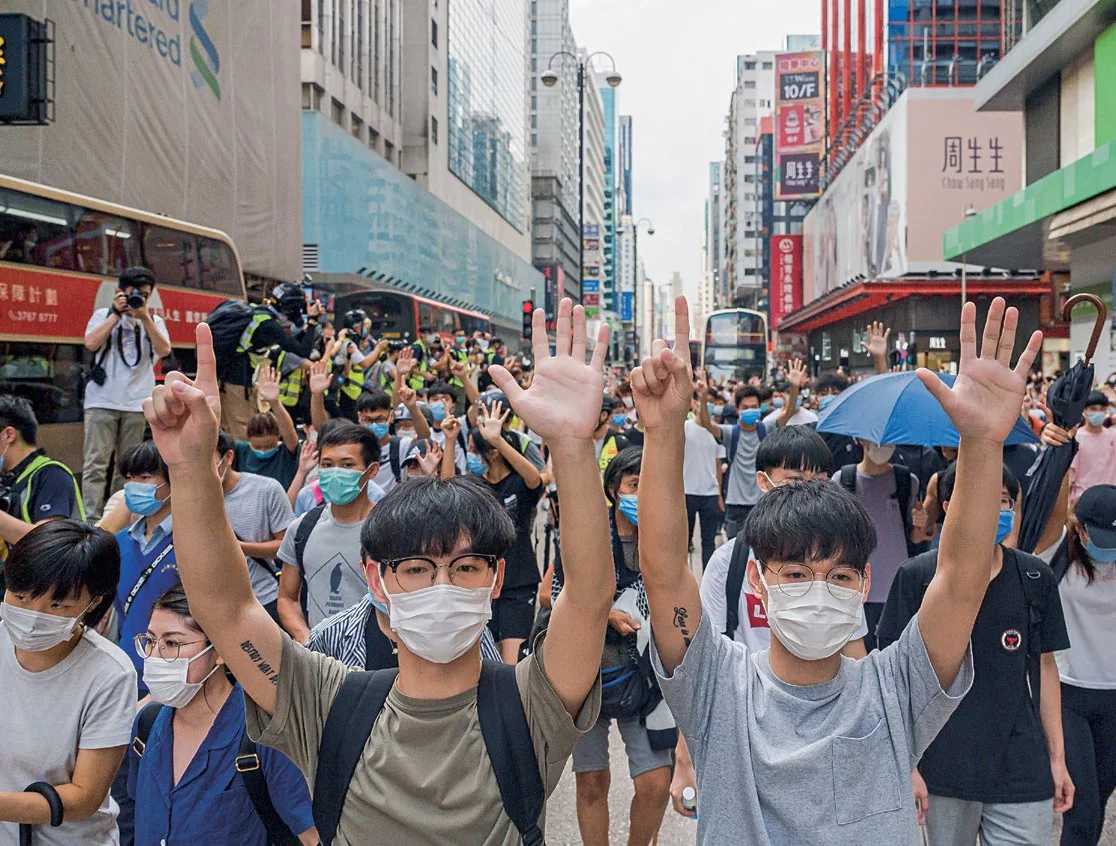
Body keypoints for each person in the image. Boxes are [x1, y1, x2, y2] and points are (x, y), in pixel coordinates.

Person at [140, 298, 613, 843]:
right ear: (377, 580)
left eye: (464, 567)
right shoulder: (326, 705)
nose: (442, 586)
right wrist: (191, 466)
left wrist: (574, 448)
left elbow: (588, 597)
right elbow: (225, 609)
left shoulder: (533, 706)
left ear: (496, 580)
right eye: (416, 568)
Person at [631, 295, 1041, 843]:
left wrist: (982, 443)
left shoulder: (896, 690)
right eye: (796, 575)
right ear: (758, 580)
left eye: (839, 576)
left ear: (865, 584)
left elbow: (962, 579)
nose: (818, 590)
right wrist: (663, 433)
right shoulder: (718, 686)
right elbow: (662, 569)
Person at [878, 462, 1073, 846]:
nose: (994, 510)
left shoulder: (1034, 578)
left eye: (1003, 501)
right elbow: (890, 677)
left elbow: (1046, 670)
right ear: (950, 505)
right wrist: (907, 764)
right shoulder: (918, 577)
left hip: (1020, 766)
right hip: (942, 767)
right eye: (981, 498)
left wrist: (1057, 758)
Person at [127, 584, 318, 845]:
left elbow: (310, 836)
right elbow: (133, 810)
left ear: (219, 650)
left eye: (172, 643)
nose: (155, 657)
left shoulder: (262, 734)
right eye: (149, 641)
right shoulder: (147, 725)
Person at [563, 446, 675, 846]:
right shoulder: (585, 536)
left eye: (650, 484)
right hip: (589, 678)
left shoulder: (666, 540)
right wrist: (603, 614)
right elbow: (559, 599)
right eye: (633, 484)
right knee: (591, 780)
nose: (641, 493)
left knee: (656, 785)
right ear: (613, 490)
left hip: (648, 683)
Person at [0, 521, 135, 846]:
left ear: (94, 603)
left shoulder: (109, 675)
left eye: (58, 605)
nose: (33, 614)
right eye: (20, 596)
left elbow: (84, 797)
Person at [1051, 484, 1116, 846]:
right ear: (1080, 528)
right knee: (1082, 806)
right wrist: (1062, 451)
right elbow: (1049, 507)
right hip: (1070, 691)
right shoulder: (1059, 553)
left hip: (1114, 697)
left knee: (1101, 800)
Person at [276, 421, 378, 643]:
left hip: (377, 664)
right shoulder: (302, 528)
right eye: (327, 464)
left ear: (372, 471)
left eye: (347, 465)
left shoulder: (390, 529)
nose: (335, 473)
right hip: (320, 663)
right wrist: (308, 639)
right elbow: (287, 598)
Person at [82, 267, 171, 520]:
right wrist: (115, 315)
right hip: (102, 400)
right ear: (121, 291)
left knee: (129, 467)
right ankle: (90, 519)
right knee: (95, 464)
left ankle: (117, 517)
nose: (139, 299)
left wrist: (144, 318)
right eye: (135, 294)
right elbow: (90, 343)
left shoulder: (154, 322)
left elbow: (164, 350)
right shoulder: (102, 315)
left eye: (145, 295)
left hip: (136, 403)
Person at [834, 437, 928, 649]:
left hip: (897, 587)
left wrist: (920, 524)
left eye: (890, 440)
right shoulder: (843, 480)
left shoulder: (906, 481)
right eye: (877, 441)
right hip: (856, 585)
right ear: (861, 441)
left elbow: (915, 538)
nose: (884, 446)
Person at [469, 401, 544, 662]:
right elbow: (448, 490)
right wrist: (449, 439)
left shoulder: (519, 483)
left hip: (518, 580)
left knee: (512, 661)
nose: (470, 457)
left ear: (491, 453)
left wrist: (498, 441)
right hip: (480, 583)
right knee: (486, 657)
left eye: (473, 450)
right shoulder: (475, 486)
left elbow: (535, 478)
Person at [210, 282, 321, 439]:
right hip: (238, 381)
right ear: (291, 307)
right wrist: (312, 322)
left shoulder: (259, 314)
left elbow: (290, 343)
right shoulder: (268, 325)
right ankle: (242, 463)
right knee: (243, 427)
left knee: (227, 427)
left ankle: (228, 462)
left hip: (226, 377)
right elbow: (303, 350)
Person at [113, 441, 178, 685]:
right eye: (129, 478)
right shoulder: (120, 542)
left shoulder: (192, 542)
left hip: (173, 673)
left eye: (145, 477)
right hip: (127, 669)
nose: (132, 486)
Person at [216, 431, 294, 621]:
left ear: (228, 457)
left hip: (262, 600)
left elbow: (287, 546)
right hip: (214, 607)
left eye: (206, 460)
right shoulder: (189, 499)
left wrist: (239, 548)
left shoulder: (266, 490)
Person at [0, 396, 84, 556]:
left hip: (54, 578)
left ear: (9, 435)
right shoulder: (8, 478)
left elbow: (46, 541)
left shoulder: (52, 474)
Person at [694, 383, 765, 539]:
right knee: (734, 553)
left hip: (761, 503)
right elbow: (707, 423)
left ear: (761, 408)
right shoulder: (730, 433)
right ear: (737, 410)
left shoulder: (766, 430)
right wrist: (703, 398)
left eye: (754, 406)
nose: (749, 410)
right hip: (735, 505)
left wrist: (795, 388)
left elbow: (786, 414)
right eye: (745, 407)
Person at [234, 363, 300, 490]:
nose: (263, 451)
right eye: (257, 447)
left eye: (270, 446)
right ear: (248, 440)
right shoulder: (241, 451)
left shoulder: (286, 454)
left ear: (278, 437)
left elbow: (290, 433)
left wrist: (275, 403)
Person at [684, 373, 725, 566]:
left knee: (708, 542)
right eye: (703, 400)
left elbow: (718, 464)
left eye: (710, 402)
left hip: (709, 494)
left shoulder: (717, 432)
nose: (706, 405)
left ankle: (708, 584)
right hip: (686, 492)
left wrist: (719, 494)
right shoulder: (684, 428)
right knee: (684, 541)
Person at [1069, 391, 1116, 500]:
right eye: (1093, 409)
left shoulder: (1113, 436)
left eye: (1101, 409)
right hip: (1082, 498)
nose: (1098, 413)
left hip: (1110, 498)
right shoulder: (1077, 438)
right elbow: (1070, 475)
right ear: (1084, 411)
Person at [762, 358, 818, 430]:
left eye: (798, 393)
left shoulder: (813, 419)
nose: (795, 396)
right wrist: (794, 387)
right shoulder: (770, 420)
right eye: (789, 392)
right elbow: (788, 412)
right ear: (782, 395)